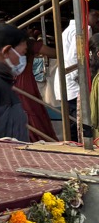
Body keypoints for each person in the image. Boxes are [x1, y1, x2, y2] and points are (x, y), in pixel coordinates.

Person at [61, 8, 99, 140]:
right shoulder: (83, 29)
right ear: (85, 14)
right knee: (78, 121)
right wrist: (80, 79)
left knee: (74, 121)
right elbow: (75, 56)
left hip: (70, 82)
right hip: (75, 84)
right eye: (95, 15)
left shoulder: (69, 30)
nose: (97, 19)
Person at [16, 25, 56, 142]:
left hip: (13, 81)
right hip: (26, 82)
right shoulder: (29, 44)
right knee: (32, 110)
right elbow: (55, 53)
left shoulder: (6, 44)